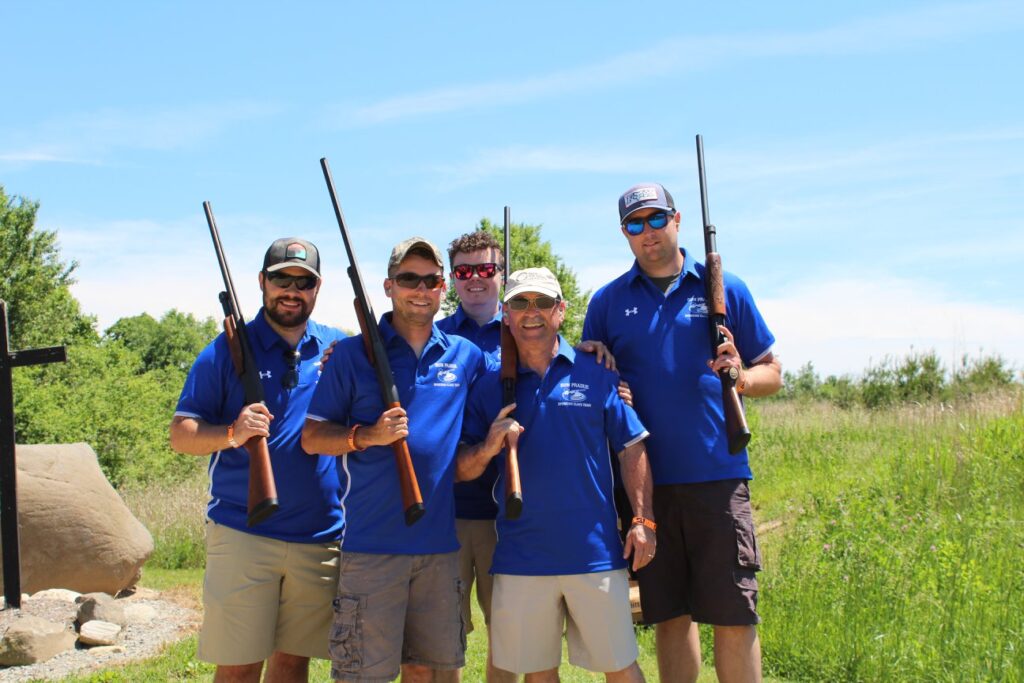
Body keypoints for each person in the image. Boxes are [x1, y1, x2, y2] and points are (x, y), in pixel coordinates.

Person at [582, 183, 783, 683]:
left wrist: (740, 377)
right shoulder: (607, 302)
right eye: (635, 224)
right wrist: (602, 368)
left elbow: (772, 374)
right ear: (624, 234)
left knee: (735, 616)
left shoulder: (724, 288)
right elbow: (590, 381)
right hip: (646, 487)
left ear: (677, 220)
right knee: (669, 616)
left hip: (718, 475)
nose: (647, 233)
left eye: (655, 219)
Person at [301, 237, 487, 683]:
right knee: (363, 674)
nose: (420, 290)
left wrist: (593, 360)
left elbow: (523, 371)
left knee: (425, 670)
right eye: (408, 279)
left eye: (431, 280)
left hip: (439, 549)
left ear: (444, 289)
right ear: (388, 286)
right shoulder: (350, 355)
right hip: (372, 547)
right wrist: (367, 436)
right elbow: (311, 437)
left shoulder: (466, 356)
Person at [458, 267, 656, 683]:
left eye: (543, 302)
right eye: (519, 303)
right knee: (537, 675)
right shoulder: (488, 387)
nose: (532, 313)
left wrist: (642, 519)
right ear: (505, 315)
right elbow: (461, 467)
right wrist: (488, 447)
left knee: (621, 668)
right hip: (521, 558)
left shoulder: (597, 372)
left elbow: (632, 446)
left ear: (561, 311)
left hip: (595, 554)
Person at [169, 237, 346, 683]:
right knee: (240, 665)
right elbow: (181, 434)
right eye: (281, 278)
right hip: (243, 531)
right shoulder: (227, 350)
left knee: (292, 662)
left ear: (318, 287)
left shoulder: (338, 348)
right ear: (262, 283)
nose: (291, 289)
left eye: (302, 281)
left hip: (319, 534)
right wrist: (232, 433)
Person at [437, 230, 515, 683]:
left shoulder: (526, 328)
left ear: (501, 275)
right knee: (441, 636)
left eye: (486, 269)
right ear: (452, 280)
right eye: (464, 271)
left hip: (507, 513)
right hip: (444, 511)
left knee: (506, 632)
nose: (476, 280)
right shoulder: (435, 335)